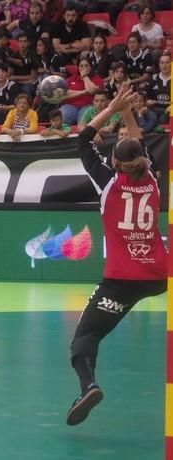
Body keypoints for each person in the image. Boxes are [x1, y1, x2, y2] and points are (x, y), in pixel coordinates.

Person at [66, 86, 167, 426]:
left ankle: (88, 386)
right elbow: (138, 143)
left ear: (114, 162)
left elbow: (83, 140)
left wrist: (111, 108)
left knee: (85, 337)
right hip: (158, 276)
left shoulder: (109, 182)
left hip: (122, 282)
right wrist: (127, 113)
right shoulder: (151, 179)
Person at [59, 57, 103, 125]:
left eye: (86, 65)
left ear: (90, 67)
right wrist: (83, 92)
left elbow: (92, 91)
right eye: (81, 66)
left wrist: (85, 76)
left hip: (88, 106)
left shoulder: (97, 79)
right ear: (78, 68)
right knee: (62, 116)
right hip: (70, 106)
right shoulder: (71, 79)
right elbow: (63, 94)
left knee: (83, 122)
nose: (83, 68)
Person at [147, 52, 170, 125]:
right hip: (154, 109)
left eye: (167, 62)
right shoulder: (153, 78)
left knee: (163, 119)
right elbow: (145, 96)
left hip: (169, 111)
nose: (164, 65)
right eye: (162, 63)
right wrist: (147, 102)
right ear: (159, 65)